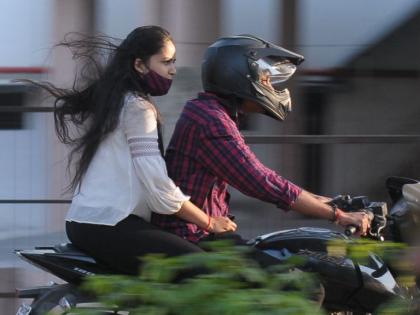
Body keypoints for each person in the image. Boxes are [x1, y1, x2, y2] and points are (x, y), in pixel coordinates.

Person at [31, 26, 236, 275]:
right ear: (140, 65)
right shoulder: (138, 109)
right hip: (111, 224)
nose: (173, 70)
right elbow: (158, 188)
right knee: (205, 271)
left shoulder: (117, 101)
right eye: (166, 62)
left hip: (85, 222)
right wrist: (209, 221)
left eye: (174, 62)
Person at [152, 34, 371, 248]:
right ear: (237, 74)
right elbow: (261, 181)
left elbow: (266, 178)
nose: (268, 85)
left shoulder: (211, 113)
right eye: (264, 78)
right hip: (192, 237)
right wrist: (338, 215)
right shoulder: (211, 121)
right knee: (295, 271)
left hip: (202, 234)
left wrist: (332, 202)